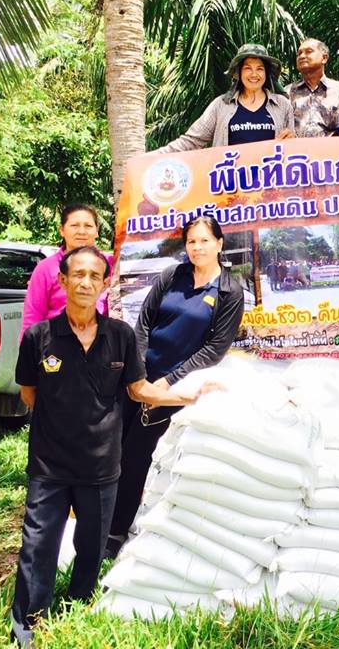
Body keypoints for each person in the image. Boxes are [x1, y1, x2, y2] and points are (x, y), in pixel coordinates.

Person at [10, 246, 215, 648]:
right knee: (38, 545)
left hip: (102, 466)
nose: (86, 282)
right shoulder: (39, 337)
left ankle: (76, 606)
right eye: (78, 274)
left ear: (105, 285)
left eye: (94, 276)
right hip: (49, 466)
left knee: (91, 548)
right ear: (63, 281)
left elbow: (139, 390)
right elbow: (29, 394)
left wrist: (189, 396)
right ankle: (28, 624)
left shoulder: (120, 336)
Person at [105, 216, 244, 556]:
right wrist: (137, 373)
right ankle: (96, 518)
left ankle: (115, 533)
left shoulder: (229, 291)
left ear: (219, 244)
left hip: (173, 389)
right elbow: (144, 323)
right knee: (110, 450)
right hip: (136, 378)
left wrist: (165, 384)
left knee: (136, 457)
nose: (197, 247)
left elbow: (214, 349)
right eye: (192, 241)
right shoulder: (172, 276)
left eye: (205, 241)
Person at [157, 43, 295, 152]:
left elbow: (293, 148)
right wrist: (154, 156)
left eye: (260, 69)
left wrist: (293, 140)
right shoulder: (221, 105)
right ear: (238, 73)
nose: (254, 74)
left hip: (270, 178)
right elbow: (191, 141)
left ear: (266, 74)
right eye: (247, 68)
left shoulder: (282, 105)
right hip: (230, 178)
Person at [22, 203, 111, 339]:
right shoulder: (46, 268)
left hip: (101, 343)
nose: (82, 231)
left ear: (96, 231)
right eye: (74, 225)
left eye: (88, 226)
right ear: (62, 230)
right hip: (56, 343)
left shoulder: (112, 264)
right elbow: (33, 314)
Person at [287, 38, 339, 137]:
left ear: (324, 58)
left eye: (308, 51)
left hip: (332, 146)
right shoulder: (288, 92)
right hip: (295, 147)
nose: (302, 56)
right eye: (299, 53)